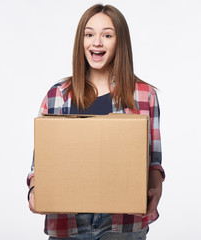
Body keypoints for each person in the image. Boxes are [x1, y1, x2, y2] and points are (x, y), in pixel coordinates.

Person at [27, 4, 165, 240]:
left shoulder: (143, 95)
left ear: (119, 42)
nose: (97, 42)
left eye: (107, 35)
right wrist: (34, 191)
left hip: (121, 225)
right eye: (89, 34)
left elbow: (153, 161)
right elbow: (39, 165)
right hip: (68, 224)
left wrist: (156, 188)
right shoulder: (58, 95)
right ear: (81, 41)